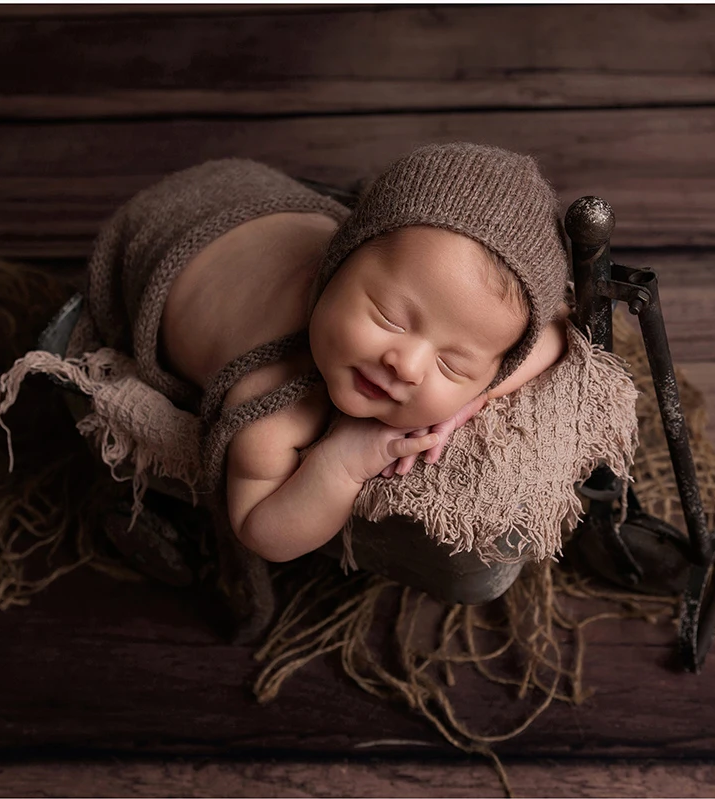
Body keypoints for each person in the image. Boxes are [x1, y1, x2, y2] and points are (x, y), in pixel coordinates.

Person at [85, 142, 571, 566]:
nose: (407, 364)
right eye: (388, 318)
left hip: (263, 211)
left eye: (452, 364)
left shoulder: (451, 316)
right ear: (336, 261)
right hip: (175, 228)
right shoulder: (270, 401)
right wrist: (341, 463)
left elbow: (552, 336)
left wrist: (473, 398)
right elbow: (260, 530)